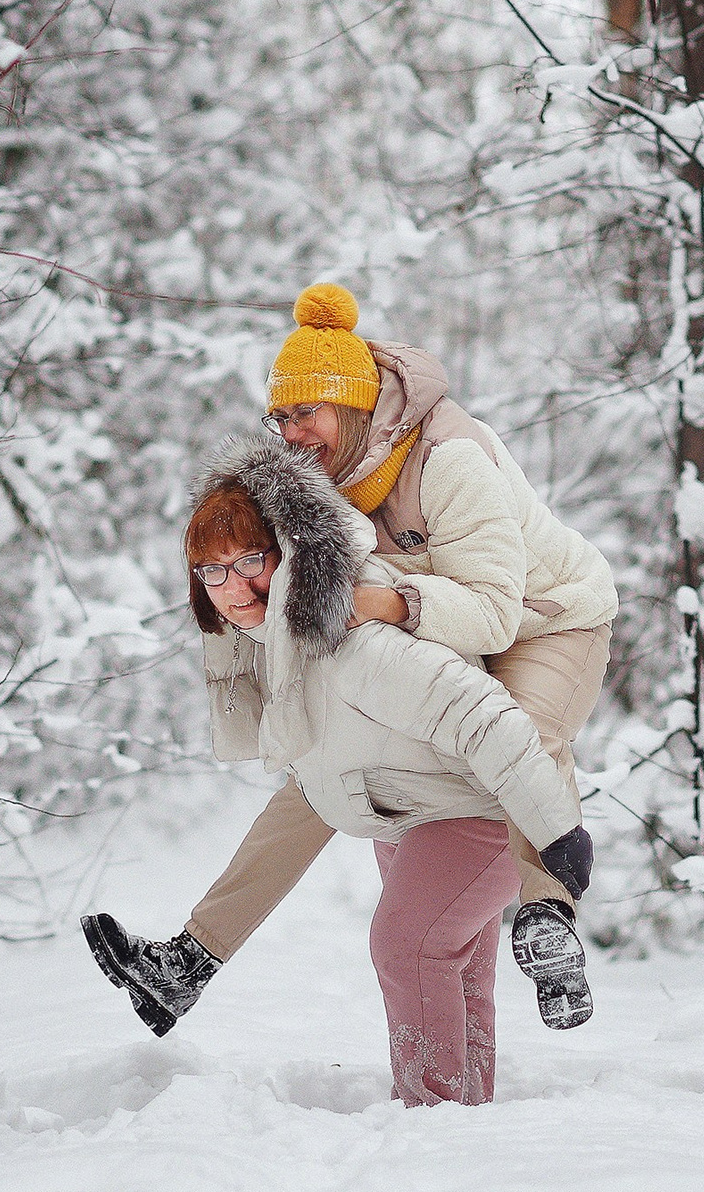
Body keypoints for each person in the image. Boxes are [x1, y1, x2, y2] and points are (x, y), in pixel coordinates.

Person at [86, 283, 618, 1031]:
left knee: (523, 732)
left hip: (546, 616)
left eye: (308, 412)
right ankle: (189, 959)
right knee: (319, 766)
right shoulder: (323, 479)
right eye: (281, 415)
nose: (292, 431)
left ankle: (548, 919)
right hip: (438, 619)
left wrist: (387, 603)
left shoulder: (450, 459)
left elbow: (496, 617)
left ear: (353, 404)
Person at [86, 442, 593, 1106]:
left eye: (249, 562)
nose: (234, 588)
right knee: (451, 965)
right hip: (404, 810)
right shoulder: (283, 641)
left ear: (287, 553)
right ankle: (461, 1121)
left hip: (479, 810)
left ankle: (433, 1120)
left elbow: (489, 720)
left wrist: (556, 837)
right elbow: (315, 779)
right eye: (213, 572)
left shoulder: (355, 639)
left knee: (407, 945)